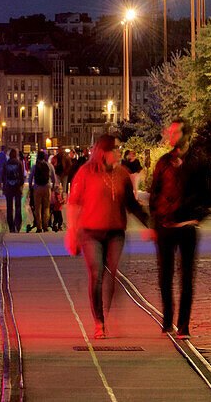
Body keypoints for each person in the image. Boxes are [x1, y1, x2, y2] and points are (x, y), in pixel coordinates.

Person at [65, 133, 152, 339]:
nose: (119, 152)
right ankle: (99, 322)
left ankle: (109, 313)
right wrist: (72, 232)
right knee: (96, 274)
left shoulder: (122, 173)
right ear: (104, 152)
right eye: (116, 149)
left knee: (112, 274)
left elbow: (131, 204)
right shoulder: (85, 173)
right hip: (90, 233)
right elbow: (74, 203)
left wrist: (147, 225)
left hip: (115, 232)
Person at [148, 118, 211, 339]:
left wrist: (198, 217)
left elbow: (208, 193)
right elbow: (154, 192)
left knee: (187, 277)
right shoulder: (164, 162)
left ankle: (183, 325)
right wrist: (154, 222)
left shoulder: (197, 162)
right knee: (165, 275)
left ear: (186, 135)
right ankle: (167, 318)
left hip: (187, 227)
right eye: (170, 132)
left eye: (176, 132)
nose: (171, 136)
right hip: (165, 226)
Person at [30, 149, 57, 232]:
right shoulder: (49, 166)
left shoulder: (35, 166)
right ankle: (45, 226)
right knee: (46, 207)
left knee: (37, 208)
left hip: (37, 188)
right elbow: (54, 178)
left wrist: (31, 188)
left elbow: (30, 178)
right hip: (47, 188)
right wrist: (53, 187)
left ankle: (39, 227)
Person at [1, 148, 25, 232]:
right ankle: (17, 225)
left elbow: (3, 176)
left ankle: (11, 226)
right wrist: (21, 185)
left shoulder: (6, 163)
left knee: (9, 207)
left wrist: (4, 187)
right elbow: (22, 176)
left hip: (8, 188)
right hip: (17, 188)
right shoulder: (19, 163)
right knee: (18, 207)